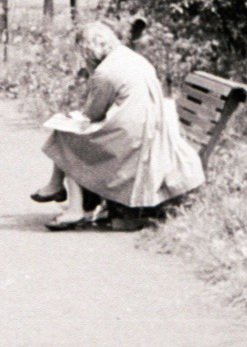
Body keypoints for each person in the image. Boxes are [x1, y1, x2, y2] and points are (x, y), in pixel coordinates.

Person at [32, 21, 204, 230]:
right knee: (71, 134)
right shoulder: (132, 58)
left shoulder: (104, 72)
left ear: (89, 49)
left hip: (132, 140)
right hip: (150, 131)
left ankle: (72, 206)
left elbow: (92, 113)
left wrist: (73, 118)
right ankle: (57, 187)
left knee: (69, 136)